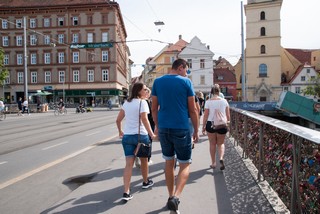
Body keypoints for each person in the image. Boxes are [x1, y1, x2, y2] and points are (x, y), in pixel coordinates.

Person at [151, 58, 199, 212]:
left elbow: (153, 108)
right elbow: (193, 110)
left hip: (164, 127)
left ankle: (170, 196)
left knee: (168, 163)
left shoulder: (158, 82)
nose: (186, 73)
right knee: (184, 164)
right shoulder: (186, 83)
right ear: (180, 68)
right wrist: (196, 130)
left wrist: (157, 126)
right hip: (181, 128)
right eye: (186, 70)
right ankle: (176, 197)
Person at [116, 82, 156, 201]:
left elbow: (118, 120)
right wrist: (152, 134)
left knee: (129, 164)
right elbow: (144, 119)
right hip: (141, 136)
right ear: (138, 91)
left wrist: (120, 131)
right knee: (144, 161)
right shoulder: (142, 102)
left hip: (127, 137)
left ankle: (126, 191)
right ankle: (145, 182)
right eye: (144, 89)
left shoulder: (126, 103)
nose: (146, 91)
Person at [202, 84, 230, 170]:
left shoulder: (208, 102)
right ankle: (221, 158)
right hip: (222, 124)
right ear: (219, 91)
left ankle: (213, 163)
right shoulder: (224, 101)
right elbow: (228, 115)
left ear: (211, 92)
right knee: (221, 143)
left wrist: (203, 126)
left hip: (211, 124)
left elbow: (205, 115)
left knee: (212, 144)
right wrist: (228, 124)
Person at [135, 87, 155, 168]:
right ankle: (147, 160)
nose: (149, 95)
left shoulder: (140, 102)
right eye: (148, 93)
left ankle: (137, 157)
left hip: (142, 125)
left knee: (140, 142)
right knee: (148, 143)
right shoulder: (146, 102)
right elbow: (150, 115)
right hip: (149, 124)